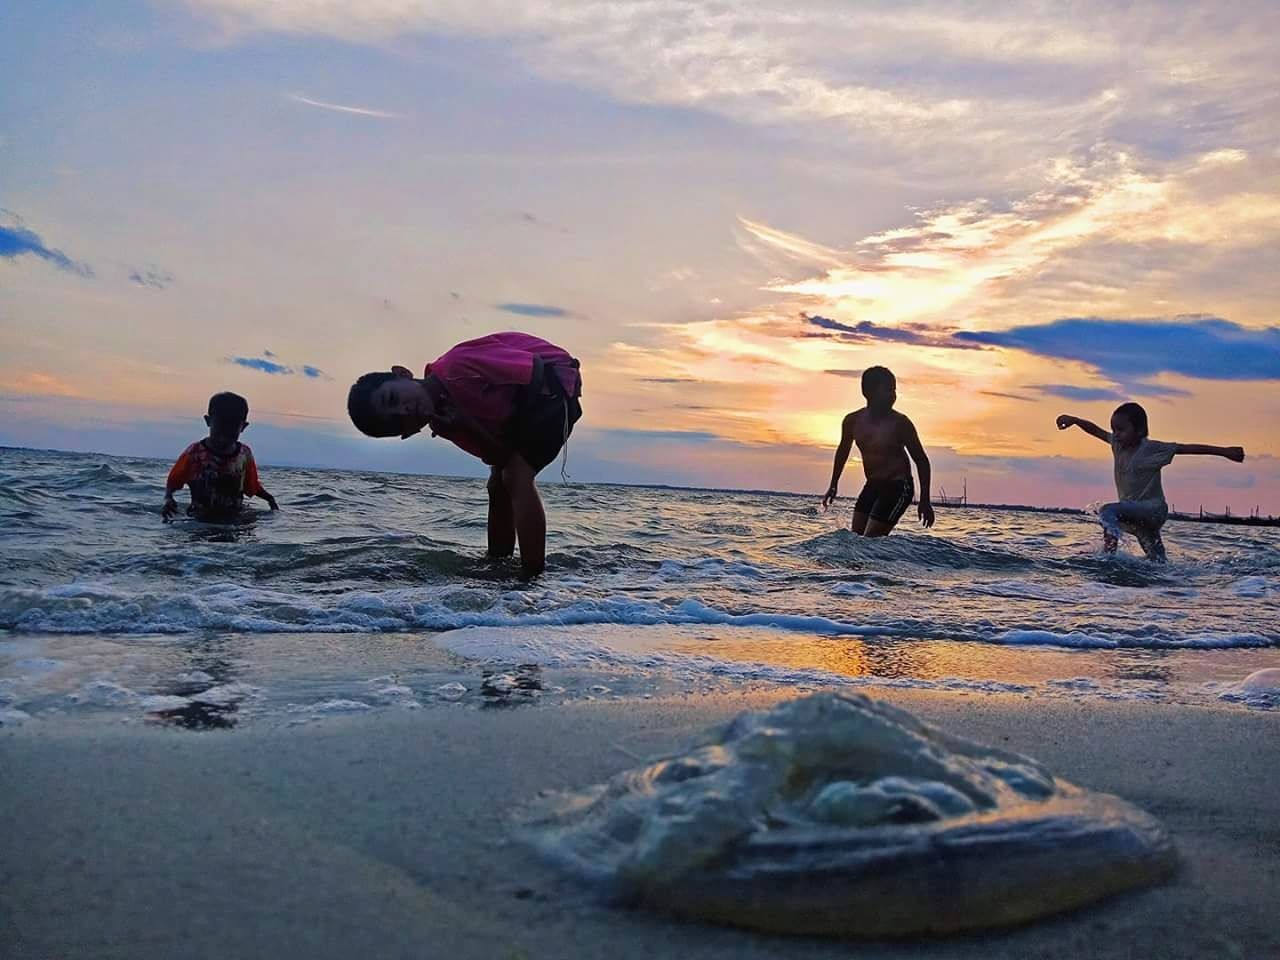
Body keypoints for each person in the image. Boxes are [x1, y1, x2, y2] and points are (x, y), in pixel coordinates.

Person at [346, 331, 583, 576]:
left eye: (393, 398)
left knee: (516, 475)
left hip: (555, 382)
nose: (404, 410)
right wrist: (466, 424)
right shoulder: (443, 422)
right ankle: (498, 565)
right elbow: (498, 456)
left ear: (402, 374)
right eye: (396, 423)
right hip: (521, 412)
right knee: (498, 482)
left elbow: (533, 370)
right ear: (406, 435)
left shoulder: (457, 365)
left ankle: (532, 576)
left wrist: (516, 438)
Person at [1056, 402, 1244, 562]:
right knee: (1158, 563)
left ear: (1139, 431)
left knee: (1107, 511)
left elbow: (1186, 448)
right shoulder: (1117, 445)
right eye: (1114, 429)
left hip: (1152, 510)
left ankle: (1108, 556)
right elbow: (1095, 430)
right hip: (1137, 518)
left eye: (1121, 429)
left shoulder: (1152, 449)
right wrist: (1075, 420)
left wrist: (1225, 451)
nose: (1116, 434)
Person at [821, 366, 935, 535]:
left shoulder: (901, 423)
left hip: (898, 486)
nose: (893, 395)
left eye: (894, 389)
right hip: (872, 485)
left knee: (870, 540)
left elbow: (921, 460)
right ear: (869, 392)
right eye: (888, 389)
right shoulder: (852, 421)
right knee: (856, 539)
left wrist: (925, 500)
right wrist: (833, 484)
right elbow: (843, 450)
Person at [162, 391, 278, 521]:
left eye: (233, 427)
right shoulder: (195, 453)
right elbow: (172, 483)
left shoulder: (244, 454)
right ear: (208, 421)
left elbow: (252, 487)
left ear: (243, 427)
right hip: (200, 519)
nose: (225, 433)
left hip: (234, 519)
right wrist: (168, 499)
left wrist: (271, 500)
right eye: (221, 425)